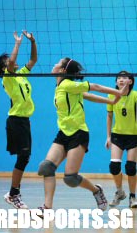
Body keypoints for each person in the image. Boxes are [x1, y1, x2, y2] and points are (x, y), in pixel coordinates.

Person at [37, 58, 129, 213]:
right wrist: (112, 103)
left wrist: (117, 93)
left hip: (78, 134)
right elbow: (86, 96)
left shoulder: (67, 84)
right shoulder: (61, 86)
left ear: (63, 70)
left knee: (70, 178)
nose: (54, 65)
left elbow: (95, 87)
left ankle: (96, 190)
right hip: (63, 133)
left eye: (57, 63)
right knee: (46, 167)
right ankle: (47, 207)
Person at [0, 30, 37, 209]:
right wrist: (17, 43)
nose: (14, 61)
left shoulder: (20, 75)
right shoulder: (7, 78)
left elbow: (33, 60)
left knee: (24, 157)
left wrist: (32, 41)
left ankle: (13, 193)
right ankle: (13, 194)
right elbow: (10, 63)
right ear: (4, 68)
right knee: (23, 157)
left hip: (24, 120)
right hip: (16, 121)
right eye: (9, 61)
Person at [106, 71, 137, 208]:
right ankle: (119, 192)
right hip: (117, 135)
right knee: (114, 166)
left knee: (130, 167)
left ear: (130, 81)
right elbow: (109, 116)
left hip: (133, 136)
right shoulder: (112, 95)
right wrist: (108, 136)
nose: (121, 80)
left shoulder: (135, 96)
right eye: (118, 78)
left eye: (124, 78)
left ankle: (132, 196)